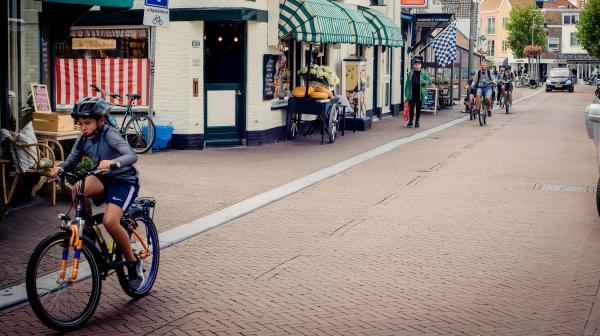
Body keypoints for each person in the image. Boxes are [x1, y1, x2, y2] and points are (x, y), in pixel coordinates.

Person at [50, 97, 144, 290]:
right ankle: (89, 233)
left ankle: (133, 262)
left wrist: (114, 162)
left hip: (124, 182)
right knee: (78, 188)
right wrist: (60, 168)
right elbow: (73, 159)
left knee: (110, 222)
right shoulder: (83, 138)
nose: (83, 127)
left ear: (100, 121)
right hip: (103, 178)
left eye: (87, 123)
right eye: (80, 123)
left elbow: (131, 155)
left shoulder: (110, 134)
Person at [404, 58, 431, 128]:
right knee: (412, 107)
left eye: (418, 64)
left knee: (418, 108)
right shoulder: (410, 73)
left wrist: (424, 82)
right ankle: (410, 121)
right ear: (414, 65)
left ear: (420, 65)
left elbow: (429, 81)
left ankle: (417, 122)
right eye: (416, 64)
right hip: (412, 93)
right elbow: (407, 84)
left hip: (420, 93)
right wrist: (406, 94)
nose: (417, 65)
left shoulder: (424, 73)